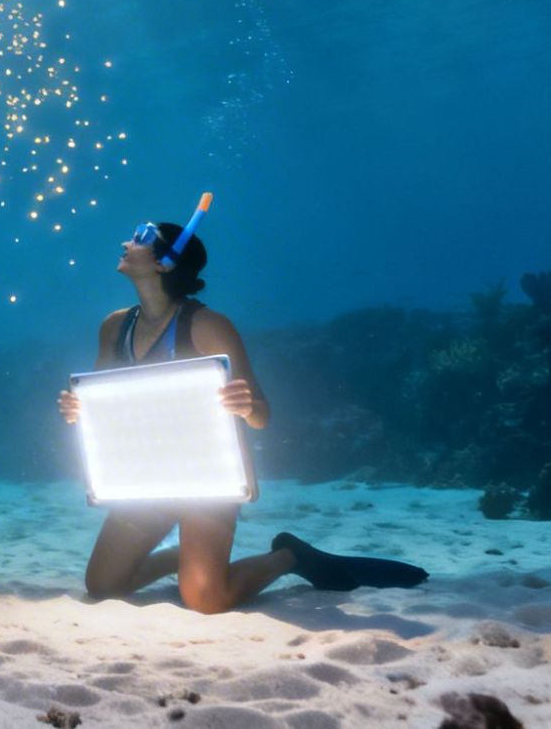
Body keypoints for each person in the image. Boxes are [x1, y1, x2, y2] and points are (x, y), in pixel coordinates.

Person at [57, 213, 426, 614]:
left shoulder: (208, 326)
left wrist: (246, 405)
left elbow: (261, 415)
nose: (127, 243)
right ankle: (187, 560)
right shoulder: (115, 327)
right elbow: (101, 398)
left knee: (205, 600)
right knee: (103, 585)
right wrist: (79, 409)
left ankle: (289, 557)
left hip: (206, 478)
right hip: (149, 477)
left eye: (141, 237)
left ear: (166, 262)